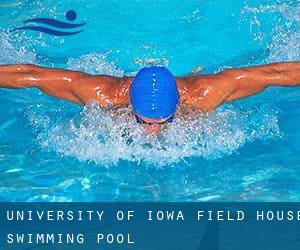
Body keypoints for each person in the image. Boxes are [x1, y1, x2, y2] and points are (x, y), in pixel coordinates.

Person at [0, 62, 299, 134]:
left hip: (191, 84)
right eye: (143, 121)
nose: (153, 132)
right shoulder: (101, 93)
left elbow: (273, 74)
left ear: (177, 107)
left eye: (163, 122)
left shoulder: (204, 94)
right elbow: (31, 75)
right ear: (130, 105)